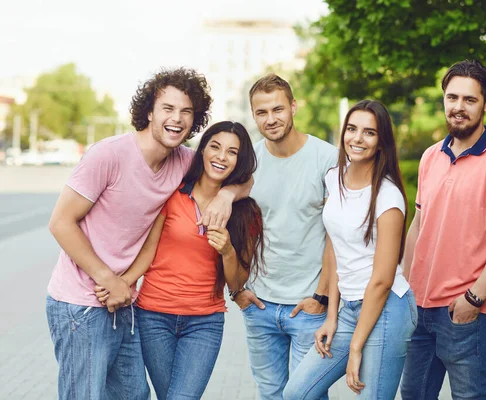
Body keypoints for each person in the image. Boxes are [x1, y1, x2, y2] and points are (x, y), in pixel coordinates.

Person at [45, 68, 251, 399]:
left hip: (123, 302)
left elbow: (239, 172)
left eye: (187, 112)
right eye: (168, 109)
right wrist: (109, 278)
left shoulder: (183, 161)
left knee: (135, 394)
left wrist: (227, 195)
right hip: (81, 302)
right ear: (149, 112)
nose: (177, 119)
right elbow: (60, 222)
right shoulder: (108, 155)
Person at [94, 121, 265, 399]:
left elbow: (237, 281)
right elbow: (148, 252)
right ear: (203, 150)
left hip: (204, 322)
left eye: (232, 152)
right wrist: (121, 282)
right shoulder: (173, 195)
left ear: (240, 160)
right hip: (154, 317)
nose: (222, 157)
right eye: (215, 147)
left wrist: (227, 251)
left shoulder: (246, 212)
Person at [400, 60, 486, 400]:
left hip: (467, 314)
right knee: (414, 395)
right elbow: (418, 225)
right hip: (421, 310)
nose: (458, 107)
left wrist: (474, 298)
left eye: (469, 100)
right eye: (451, 97)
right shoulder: (430, 157)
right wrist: (406, 287)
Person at [283, 100, 417, 399]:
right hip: (350, 308)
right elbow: (334, 244)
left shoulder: (387, 196)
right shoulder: (335, 177)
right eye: (352, 129)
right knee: (297, 392)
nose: (357, 138)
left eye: (369, 132)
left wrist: (355, 347)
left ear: (381, 142)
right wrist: (331, 316)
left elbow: (382, 280)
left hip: (388, 310)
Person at [232, 73, 338, 399]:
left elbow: (338, 235)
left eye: (278, 109)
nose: (271, 119)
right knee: (271, 395)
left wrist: (321, 297)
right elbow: (240, 227)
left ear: (293, 107)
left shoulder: (327, 159)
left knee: (306, 395)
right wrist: (238, 290)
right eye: (261, 112)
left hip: (308, 308)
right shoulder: (249, 161)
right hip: (260, 306)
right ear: (253, 115)